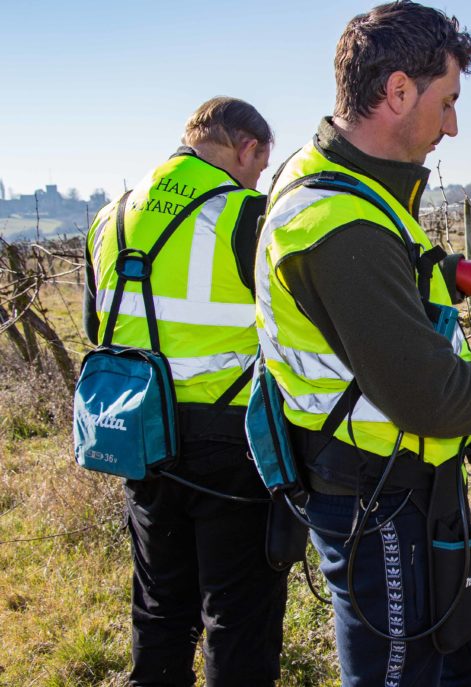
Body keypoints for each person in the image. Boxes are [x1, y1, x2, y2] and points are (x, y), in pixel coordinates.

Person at [254, 2, 471, 685]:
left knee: (467, 651)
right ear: (399, 90)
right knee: (406, 672)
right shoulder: (339, 224)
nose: (455, 125)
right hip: (379, 501)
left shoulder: (324, 176)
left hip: (403, 485)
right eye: (448, 102)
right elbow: (433, 399)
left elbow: (361, 279)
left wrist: (445, 273)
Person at [83, 97, 289, 686]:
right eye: (259, 165)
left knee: (159, 604)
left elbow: (97, 328)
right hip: (231, 439)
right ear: (248, 149)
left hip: (140, 433)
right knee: (237, 614)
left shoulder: (111, 215)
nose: (256, 179)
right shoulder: (247, 214)